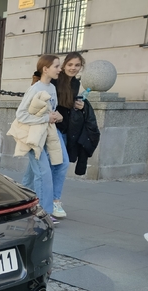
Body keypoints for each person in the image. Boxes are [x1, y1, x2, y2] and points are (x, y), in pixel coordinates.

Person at [8, 55, 64, 223]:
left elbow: (50, 110)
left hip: (45, 135)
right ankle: (42, 212)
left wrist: (55, 116)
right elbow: (21, 115)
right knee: (43, 174)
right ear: (45, 69)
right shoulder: (35, 88)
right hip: (33, 137)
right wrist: (46, 119)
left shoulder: (52, 88)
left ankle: (20, 204)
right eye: (56, 66)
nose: (59, 69)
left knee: (32, 175)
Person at [49, 52, 86, 218]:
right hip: (52, 127)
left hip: (65, 130)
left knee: (50, 166)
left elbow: (69, 106)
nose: (73, 68)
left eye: (77, 65)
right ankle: (55, 201)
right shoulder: (56, 80)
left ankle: (31, 199)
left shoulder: (76, 83)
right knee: (61, 163)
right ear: (64, 65)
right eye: (70, 65)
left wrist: (79, 105)